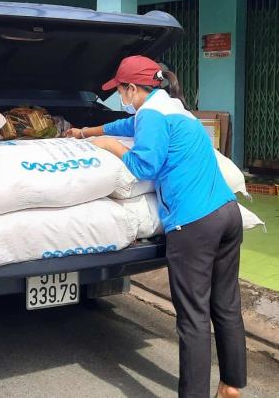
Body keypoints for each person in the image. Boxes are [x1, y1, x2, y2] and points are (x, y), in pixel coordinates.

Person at [66, 55, 246, 398]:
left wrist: (110, 147)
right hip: (227, 214)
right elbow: (126, 125)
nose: (119, 97)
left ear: (132, 88)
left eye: (119, 90)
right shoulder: (175, 109)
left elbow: (144, 166)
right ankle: (232, 384)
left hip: (194, 224)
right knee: (226, 304)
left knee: (193, 318)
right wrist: (88, 131)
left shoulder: (150, 115)